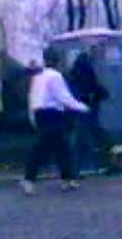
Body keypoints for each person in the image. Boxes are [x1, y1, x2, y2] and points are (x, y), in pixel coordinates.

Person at [20, 48, 90, 195]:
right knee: (48, 148)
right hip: (52, 114)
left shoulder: (38, 77)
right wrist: (82, 107)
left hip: (39, 114)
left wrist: (32, 116)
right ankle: (30, 179)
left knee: (57, 147)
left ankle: (67, 178)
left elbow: (32, 98)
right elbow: (63, 97)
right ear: (57, 60)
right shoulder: (55, 76)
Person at [67, 50, 109, 174]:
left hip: (79, 108)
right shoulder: (87, 71)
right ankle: (99, 164)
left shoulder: (74, 73)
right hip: (88, 108)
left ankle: (77, 167)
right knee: (91, 136)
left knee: (80, 138)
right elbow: (96, 87)